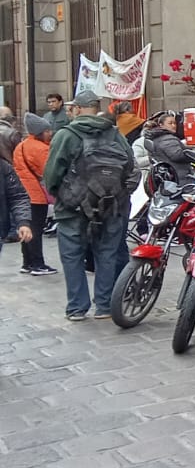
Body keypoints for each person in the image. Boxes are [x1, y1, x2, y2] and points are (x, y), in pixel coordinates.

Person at [43, 91, 138, 322]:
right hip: (111, 205)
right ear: (97, 107)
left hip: (73, 207)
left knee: (72, 256)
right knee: (107, 254)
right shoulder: (115, 134)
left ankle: (77, 308)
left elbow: (52, 174)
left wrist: (63, 196)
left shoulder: (66, 135)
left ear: (77, 108)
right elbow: (131, 167)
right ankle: (104, 306)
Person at [14, 113, 54, 274]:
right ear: (40, 131)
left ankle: (27, 262)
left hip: (22, 193)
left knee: (27, 228)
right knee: (36, 229)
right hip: (35, 194)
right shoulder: (41, 148)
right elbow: (49, 171)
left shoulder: (21, 145)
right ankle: (38, 264)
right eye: (47, 130)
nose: (50, 133)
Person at [144, 111, 195, 184]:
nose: (173, 125)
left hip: (166, 178)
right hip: (179, 178)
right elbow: (177, 155)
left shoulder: (155, 138)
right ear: (161, 125)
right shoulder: (168, 139)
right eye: (170, 123)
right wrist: (193, 154)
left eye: (175, 123)